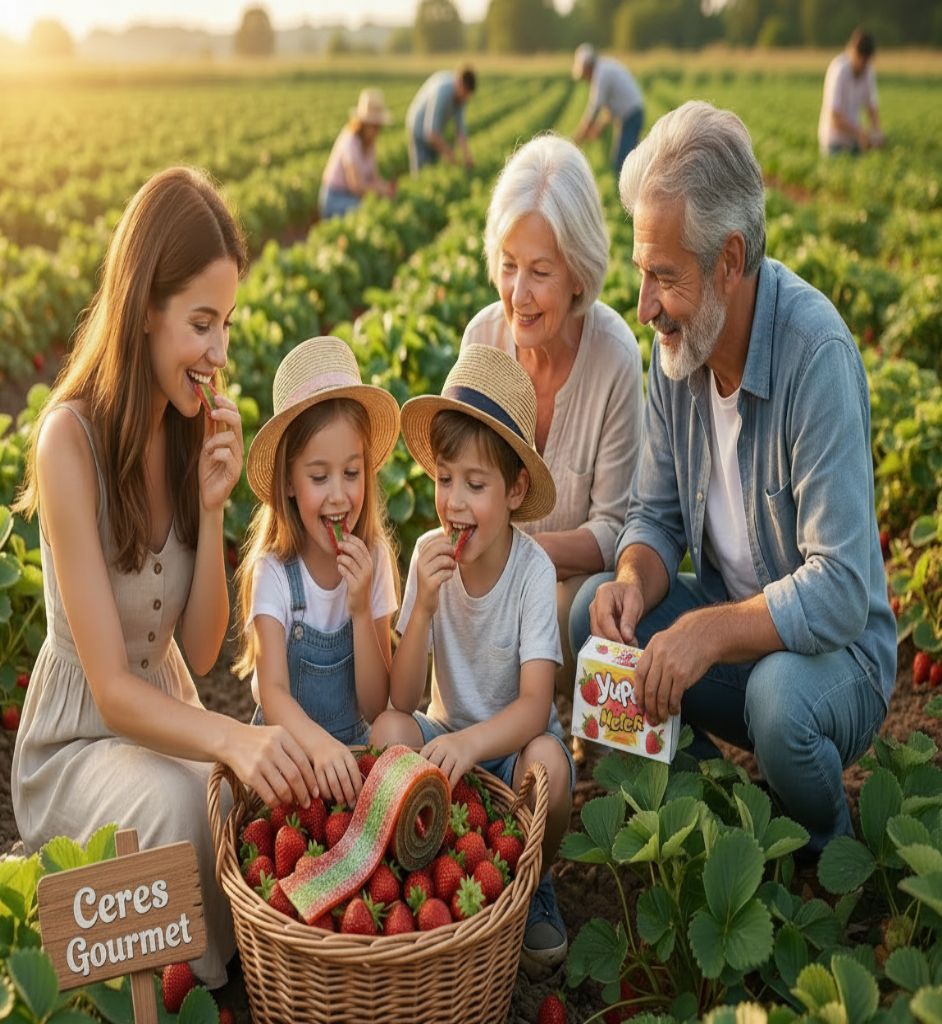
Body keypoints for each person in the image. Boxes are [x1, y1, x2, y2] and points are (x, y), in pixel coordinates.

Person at [10, 167, 320, 990]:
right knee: (183, 808)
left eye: (227, 324)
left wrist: (215, 508)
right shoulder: (66, 442)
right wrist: (230, 737)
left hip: (168, 706)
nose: (219, 353)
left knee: (230, 806)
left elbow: (203, 648)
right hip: (81, 737)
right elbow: (112, 690)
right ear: (146, 308)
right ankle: (190, 988)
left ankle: (233, 981)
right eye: (202, 324)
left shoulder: (189, 430)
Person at [569, 101, 897, 854]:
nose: (645, 305)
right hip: (733, 644)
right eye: (640, 273)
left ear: (729, 259)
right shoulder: (679, 346)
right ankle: (719, 826)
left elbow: (843, 587)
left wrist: (708, 632)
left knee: (782, 704)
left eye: (664, 277)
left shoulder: (816, 358)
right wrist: (632, 577)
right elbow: (654, 516)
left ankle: (823, 845)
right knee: (592, 614)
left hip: (831, 665)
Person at [369, 344, 575, 980]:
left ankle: (532, 882)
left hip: (511, 746)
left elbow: (536, 705)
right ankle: (422, 870)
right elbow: (400, 702)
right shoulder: (431, 554)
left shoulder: (533, 572)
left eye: (476, 485)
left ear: (515, 490)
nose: (454, 502)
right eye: (444, 478)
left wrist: (471, 744)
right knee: (387, 735)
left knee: (547, 765)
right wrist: (424, 607)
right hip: (445, 734)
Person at [461, 134, 643, 701]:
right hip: (488, 578)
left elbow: (613, 530)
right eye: (509, 266)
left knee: (572, 609)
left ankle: (562, 730)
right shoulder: (484, 340)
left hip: (569, 586)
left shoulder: (614, 357)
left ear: (579, 276)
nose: (518, 294)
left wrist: (521, 554)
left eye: (540, 271)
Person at [232, 336, 401, 809]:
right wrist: (320, 749)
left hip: (353, 759)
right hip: (288, 763)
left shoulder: (375, 560)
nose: (338, 496)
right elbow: (274, 694)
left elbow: (374, 704)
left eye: (352, 473)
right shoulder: (274, 573)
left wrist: (360, 606)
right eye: (318, 476)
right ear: (288, 481)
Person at [319, 88, 397, 220]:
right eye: (374, 126)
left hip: (352, 197)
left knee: (380, 208)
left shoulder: (369, 144)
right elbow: (356, 186)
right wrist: (380, 191)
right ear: (364, 124)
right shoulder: (351, 141)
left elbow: (374, 177)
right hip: (335, 199)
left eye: (379, 127)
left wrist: (386, 188)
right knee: (371, 213)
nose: (377, 131)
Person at [570, 43, 645, 178]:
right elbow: (610, 109)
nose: (585, 79)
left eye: (583, 73)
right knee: (628, 160)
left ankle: (632, 193)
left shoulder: (601, 74)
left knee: (622, 163)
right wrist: (600, 126)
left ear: (588, 66)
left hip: (631, 116)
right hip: (629, 116)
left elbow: (594, 108)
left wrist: (578, 138)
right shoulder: (603, 69)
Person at [818, 28, 885, 156]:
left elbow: (871, 107)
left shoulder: (867, 71)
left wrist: (876, 133)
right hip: (834, 143)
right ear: (853, 52)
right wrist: (859, 132)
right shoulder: (839, 70)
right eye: (862, 60)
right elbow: (834, 119)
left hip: (853, 141)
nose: (864, 65)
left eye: (867, 61)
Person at [406, 65, 476, 176]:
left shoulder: (460, 99)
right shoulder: (442, 91)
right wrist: (450, 155)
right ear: (460, 84)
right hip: (418, 128)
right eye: (465, 94)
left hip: (433, 130)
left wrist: (467, 157)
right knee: (422, 170)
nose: (466, 99)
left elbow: (460, 131)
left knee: (433, 166)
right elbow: (431, 134)